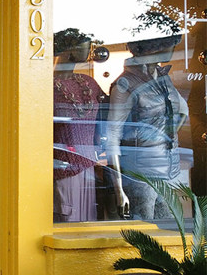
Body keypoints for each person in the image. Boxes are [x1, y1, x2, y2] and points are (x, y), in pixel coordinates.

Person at [106, 25, 187, 220]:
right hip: (140, 175)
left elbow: (183, 110)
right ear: (152, 46)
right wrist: (119, 191)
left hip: (169, 171)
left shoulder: (163, 78)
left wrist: (165, 134)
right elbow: (111, 137)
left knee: (170, 233)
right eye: (168, 43)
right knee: (144, 236)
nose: (173, 48)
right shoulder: (126, 83)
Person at [53, 30, 107, 222]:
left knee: (87, 221)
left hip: (88, 166)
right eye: (83, 45)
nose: (89, 50)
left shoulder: (89, 83)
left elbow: (106, 118)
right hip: (62, 169)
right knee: (68, 220)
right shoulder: (46, 86)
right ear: (68, 48)